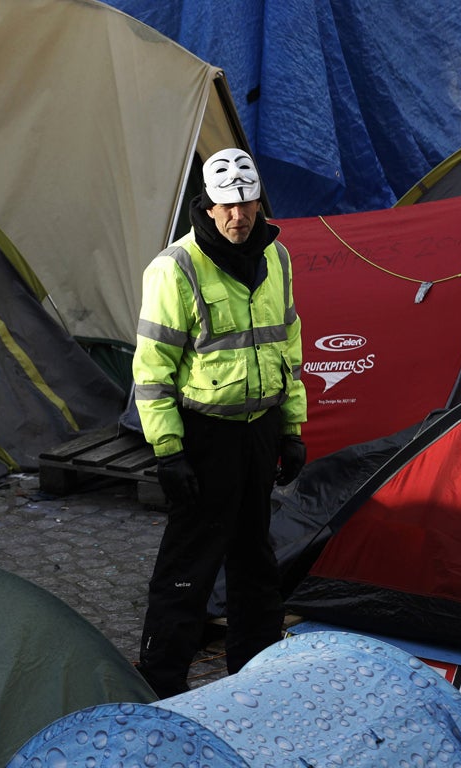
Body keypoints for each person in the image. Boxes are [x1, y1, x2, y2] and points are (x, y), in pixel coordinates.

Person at [130, 147, 308, 699]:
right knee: (189, 568)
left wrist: (292, 428)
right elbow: (152, 371)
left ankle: (254, 682)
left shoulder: (276, 259)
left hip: (258, 429)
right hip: (203, 435)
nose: (238, 216)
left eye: (247, 203)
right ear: (206, 207)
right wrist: (169, 452)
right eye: (226, 206)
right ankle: (160, 689)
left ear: (259, 202)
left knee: (256, 561)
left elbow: (290, 343)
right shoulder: (174, 269)